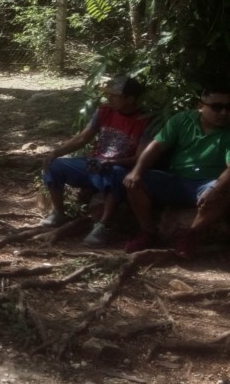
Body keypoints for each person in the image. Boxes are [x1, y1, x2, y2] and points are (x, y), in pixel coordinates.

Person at [39, 75, 153, 247]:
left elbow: (139, 157)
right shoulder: (104, 111)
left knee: (117, 175)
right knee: (55, 166)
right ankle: (58, 212)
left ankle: (103, 225)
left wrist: (113, 162)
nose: (110, 99)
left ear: (130, 99)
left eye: (115, 96)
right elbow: (83, 138)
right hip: (92, 163)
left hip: (117, 167)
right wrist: (56, 152)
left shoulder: (145, 120)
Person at [122, 84, 230, 258]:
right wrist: (136, 171)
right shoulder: (182, 120)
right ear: (200, 106)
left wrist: (215, 188)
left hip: (208, 183)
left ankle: (190, 235)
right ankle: (147, 232)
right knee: (135, 182)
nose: (224, 113)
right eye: (217, 107)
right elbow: (156, 146)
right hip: (176, 180)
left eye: (228, 107)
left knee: (225, 191)